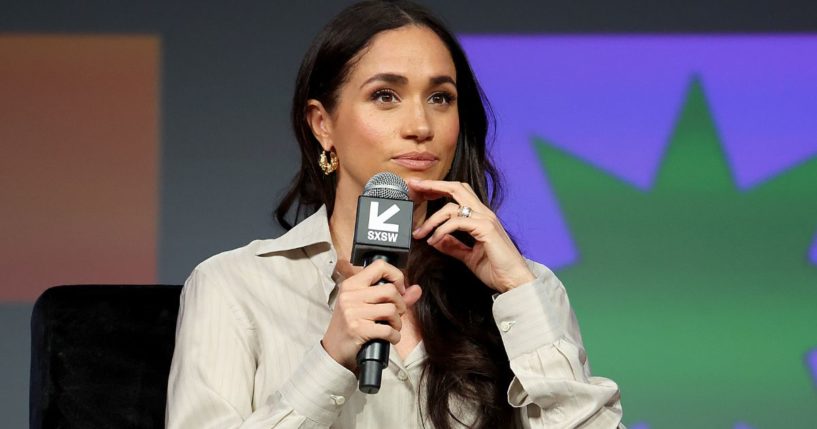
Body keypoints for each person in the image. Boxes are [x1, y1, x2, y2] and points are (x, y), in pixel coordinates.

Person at [166, 1, 623, 428]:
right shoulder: (233, 287)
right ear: (322, 124)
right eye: (385, 96)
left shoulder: (526, 290)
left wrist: (518, 292)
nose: (420, 127)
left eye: (440, 98)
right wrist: (329, 361)